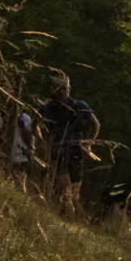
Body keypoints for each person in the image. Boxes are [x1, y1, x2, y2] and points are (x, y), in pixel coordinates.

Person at [38, 72, 98, 214]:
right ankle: (68, 212)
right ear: (53, 90)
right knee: (65, 185)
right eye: (60, 88)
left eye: (65, 88)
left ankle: (72, 215)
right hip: (58, 148)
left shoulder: (79, 105)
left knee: (75, 186)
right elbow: (36, 123)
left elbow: (95, 124)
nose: (63, 92)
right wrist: (42, 142)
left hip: (76, 148)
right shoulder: (48, 107)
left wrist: (88, 143)